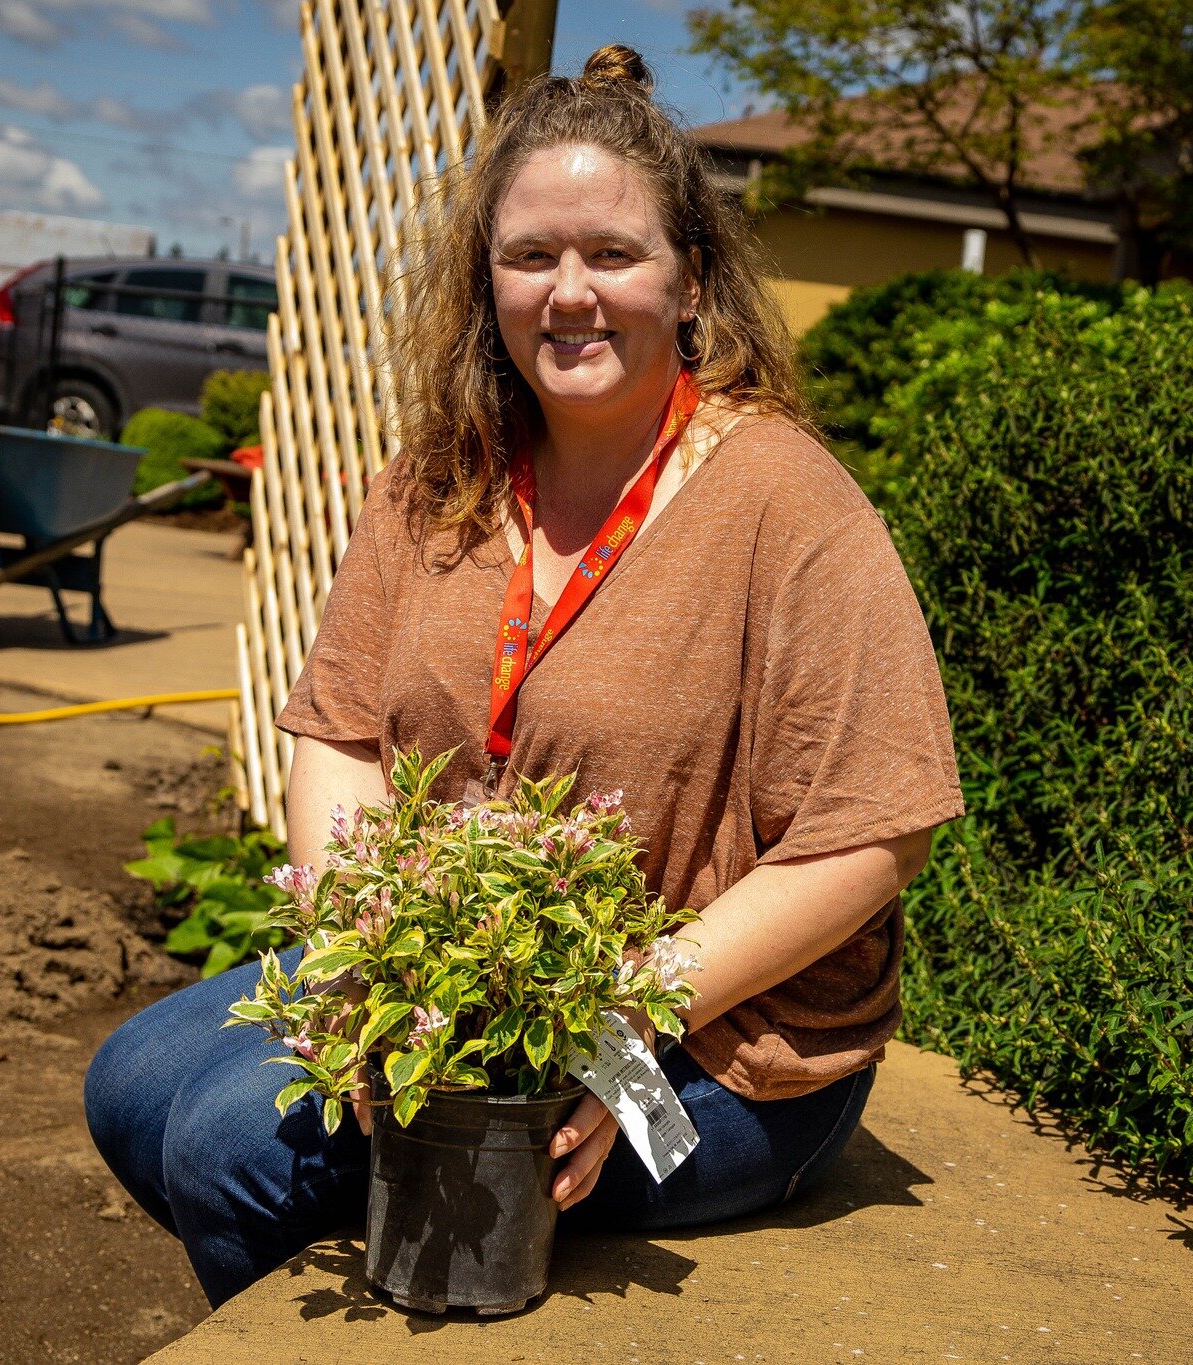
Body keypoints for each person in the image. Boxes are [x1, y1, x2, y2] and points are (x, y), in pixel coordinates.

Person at [84, 43, 964, 1309]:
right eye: (529, 256)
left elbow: (873, 837)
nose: (568, 294)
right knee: (129, 1086)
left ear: (692, 279)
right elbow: (339, 736)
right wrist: (373, 963)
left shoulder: (790, 508)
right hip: (465, 977)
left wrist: (602, 1045)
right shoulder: (439, 475)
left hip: (713, 1038)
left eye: (612, 255)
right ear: (482, 277)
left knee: (229, 1153)